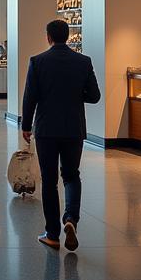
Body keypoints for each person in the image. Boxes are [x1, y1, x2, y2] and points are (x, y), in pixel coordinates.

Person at [21, 18, 101, 252]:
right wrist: (74, 95)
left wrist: (26, 125)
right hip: (73, 127)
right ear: (68, 36)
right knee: (71, 175)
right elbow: (94, 96)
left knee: (49, 180)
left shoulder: (37, 62)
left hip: (46, 129)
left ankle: (52, 234)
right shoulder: (83, 62)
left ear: (48, 37)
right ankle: (71, 219)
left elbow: (30, 97)